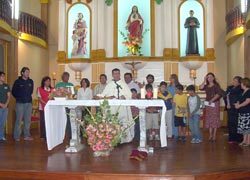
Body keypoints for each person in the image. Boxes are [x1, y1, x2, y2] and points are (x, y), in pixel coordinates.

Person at [97, 68, 134, 143]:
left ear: (120, 74)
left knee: (123, 122)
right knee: (112, 122)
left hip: (122, 108)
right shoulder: (109, 85)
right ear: (112, 75)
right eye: (115, 74)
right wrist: (103, 96)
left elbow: (129, 95)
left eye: (118, 73)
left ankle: (123, 139)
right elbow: (103, 95)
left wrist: (124, 96)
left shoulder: (123, 84)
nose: (116, 75)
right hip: (112, 108)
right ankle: (112, 139)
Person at [199, 73, 223, 142]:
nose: (209, 78)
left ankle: (214, 135)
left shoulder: (216, 85)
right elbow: (200, 87)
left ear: (213, 78)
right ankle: (210, 135)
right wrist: (204, 80)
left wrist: (212, 100)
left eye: (210, 77)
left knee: (214, 119)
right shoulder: (206, 86)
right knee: (209, 119)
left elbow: (219, 94)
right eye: (208, 77)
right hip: (208, 104)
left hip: (215, 103)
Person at [12, 67, 34, 141]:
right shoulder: (17, 81)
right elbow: (13, 92)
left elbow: (31, 91)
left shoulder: (31, 81)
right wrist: (19, 97)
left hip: (29, 103)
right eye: (26, 72)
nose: (28, 73)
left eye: (28, 72)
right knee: (19, 120)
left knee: (27, 120)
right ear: (22, 73)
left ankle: (26, 135)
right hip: (20, 103)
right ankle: (17, 136)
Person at [55, 72, 74, 140]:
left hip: (68, 105)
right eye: (65, 76)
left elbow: (73, 94)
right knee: (60, 119)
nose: (67, 78)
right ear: (62, 77)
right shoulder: (58, 84)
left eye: (68, 76)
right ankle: (59, 134)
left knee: (68, 120)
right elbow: (56, 93)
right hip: (60, 105)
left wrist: (70, 94)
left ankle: (69, 134)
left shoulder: (71, 85)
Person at [224, 76, 243, 143]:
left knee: (236, 123)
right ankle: (231, 138)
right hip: (230, 108)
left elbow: (240, 98)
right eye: (233, 80)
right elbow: (225, 96)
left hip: (237, 108)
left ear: (239, 82)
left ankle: (238, 138)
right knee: (230, 123)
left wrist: (236, 103)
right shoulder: (230, 88)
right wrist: (227, 104)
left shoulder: (241, 89)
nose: (233, 82)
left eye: (235, 81)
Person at [235, 78, 250, 146]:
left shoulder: (249, 91)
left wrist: (239, 106)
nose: (240, 84)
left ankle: (248, 141)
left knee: (247, 127)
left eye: (241, 83)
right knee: (243, 127)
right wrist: (237, 104)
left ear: (244, 83)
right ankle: (244, 141)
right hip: (242, 112)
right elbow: (240, 100)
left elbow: (247, 101)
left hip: (247, 112)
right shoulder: (243, 92)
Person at [167, 74, 180, 139]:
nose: (170, 79)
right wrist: (171, 99)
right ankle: (172, 133)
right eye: (170, 78)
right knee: (171, 119)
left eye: (171, 78)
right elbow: (167, 95)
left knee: (176, 119)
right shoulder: (168, 87)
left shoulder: (178, 86)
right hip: (171, 104)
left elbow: (180, 94)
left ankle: (177, 133)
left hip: (177, 104)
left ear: (175, 79)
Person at [0, 72, 10, 141]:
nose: (4, 77)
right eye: (2, 76)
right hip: (0, 107)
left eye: (4, 76)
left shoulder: (6, 85)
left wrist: (6, 104)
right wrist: (0, 104)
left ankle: (1, 136)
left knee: (3, 123)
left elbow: (9, 96)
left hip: (5, 107)